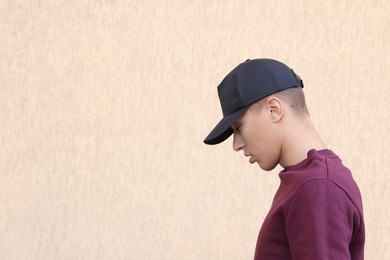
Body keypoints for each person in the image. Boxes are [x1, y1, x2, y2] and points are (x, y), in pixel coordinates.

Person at [203, 59, 365, 260]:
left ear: (274, 110)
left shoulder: (318, 187)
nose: (236, 145)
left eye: (238, 127)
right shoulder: (307, 181)